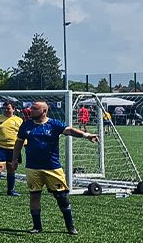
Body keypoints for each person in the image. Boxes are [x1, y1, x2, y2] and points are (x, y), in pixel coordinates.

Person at [10, 101, 98, 235]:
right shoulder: (26, 125)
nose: (31, 110)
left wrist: (86, 135)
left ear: (44, 111)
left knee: (62, 197)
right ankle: (37, 226)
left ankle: (70, 226)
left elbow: (69, 130)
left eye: (35, 109)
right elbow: (19, 142)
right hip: (32, 168)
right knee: (34, 196)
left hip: (53, 168)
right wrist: (14, 159)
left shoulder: (54, 124)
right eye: (31, 108)